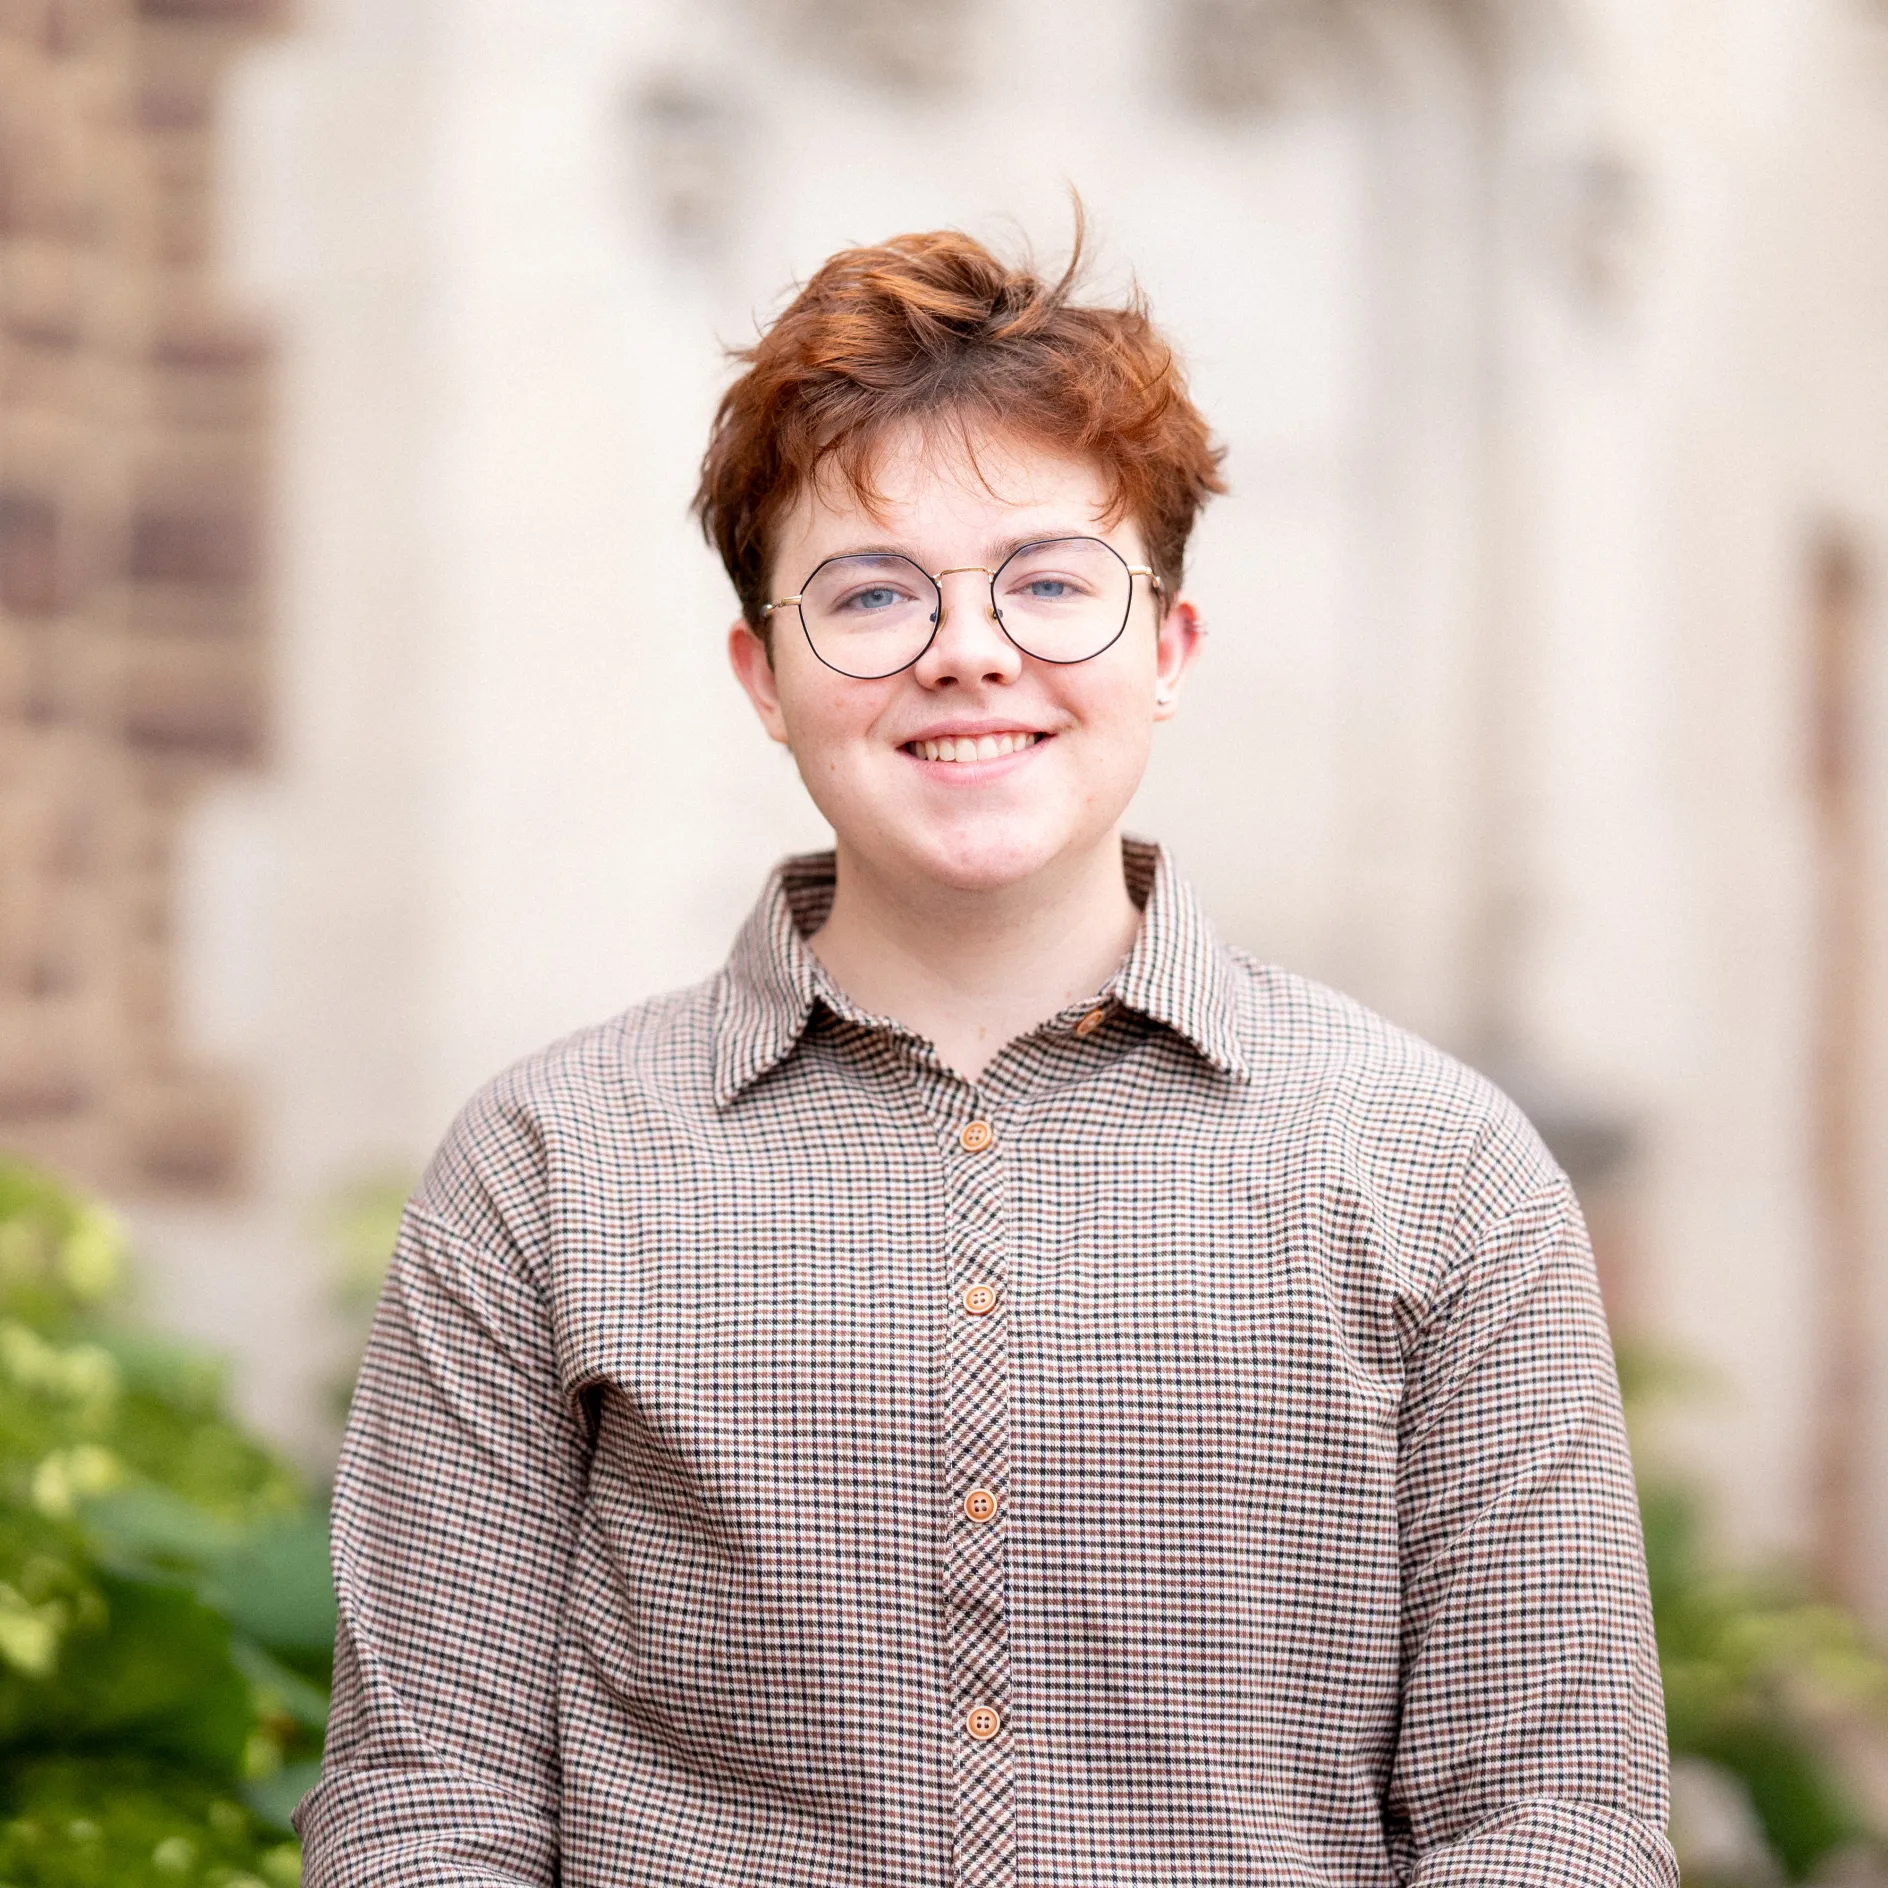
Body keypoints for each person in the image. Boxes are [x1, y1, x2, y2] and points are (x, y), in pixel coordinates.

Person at [297, 224, 1677, 1887]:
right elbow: (421, 1804)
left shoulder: (1439, 1171)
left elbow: (1554, 1818)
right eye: (872, 593)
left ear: (1166, 651)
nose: (968, 649)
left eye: (1049, 581)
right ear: (765, 674)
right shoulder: (546, 1165)